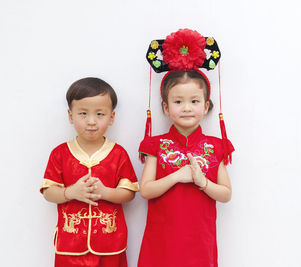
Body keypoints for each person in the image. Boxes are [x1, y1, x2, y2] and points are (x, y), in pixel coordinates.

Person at [138, 29, 235, 267]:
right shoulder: (155, 145)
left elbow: (226, 194)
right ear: (165, 107)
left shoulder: (216, 146)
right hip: (163, 237)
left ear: (206, 105)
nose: (187, 108)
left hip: (199, 237)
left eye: (194, 101)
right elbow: (146, 190)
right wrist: (177, 176)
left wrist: (203, 183)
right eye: (178, 101)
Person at [40, 77, 139, 267]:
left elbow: (129, 193)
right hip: (70, 244)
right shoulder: (60, 153)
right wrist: (71, 192)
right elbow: (48, 192)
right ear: (70, 116)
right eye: (83, 114)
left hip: (110, 242)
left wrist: (106, 192)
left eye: (100, 114)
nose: (91, 121)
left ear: (111, 117)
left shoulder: (118, 154)